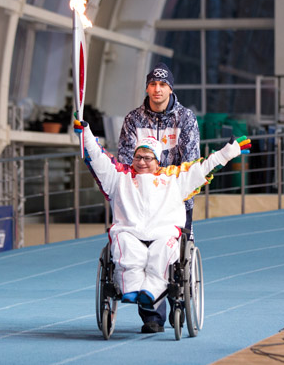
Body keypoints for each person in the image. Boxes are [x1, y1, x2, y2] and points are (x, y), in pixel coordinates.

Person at [74, 119, 250, 334]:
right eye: (138, 157)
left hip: (163, 233)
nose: (142, 162)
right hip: (129, 231)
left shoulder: (174, 179)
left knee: (162, 252)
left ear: (157, 161)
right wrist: (86, 134)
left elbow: (203, 168)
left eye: (148, 158)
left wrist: (228, 152)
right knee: (126, 246)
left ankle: (149, 292)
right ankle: (131, 288)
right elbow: (99, 160)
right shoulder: (119, 177)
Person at [116, 62, 201, 333]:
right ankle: (152, 313)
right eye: (153, 84)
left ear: (170, 89)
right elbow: (125, 160)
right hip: (140, 201)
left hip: (174, 198)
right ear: (147, 88)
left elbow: (191, 161)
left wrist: (166, 184)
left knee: (172, 251)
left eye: (162, 85)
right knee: (141, 249)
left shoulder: (185, 119)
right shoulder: (133, 120)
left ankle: (178, 300)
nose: (157, 89)